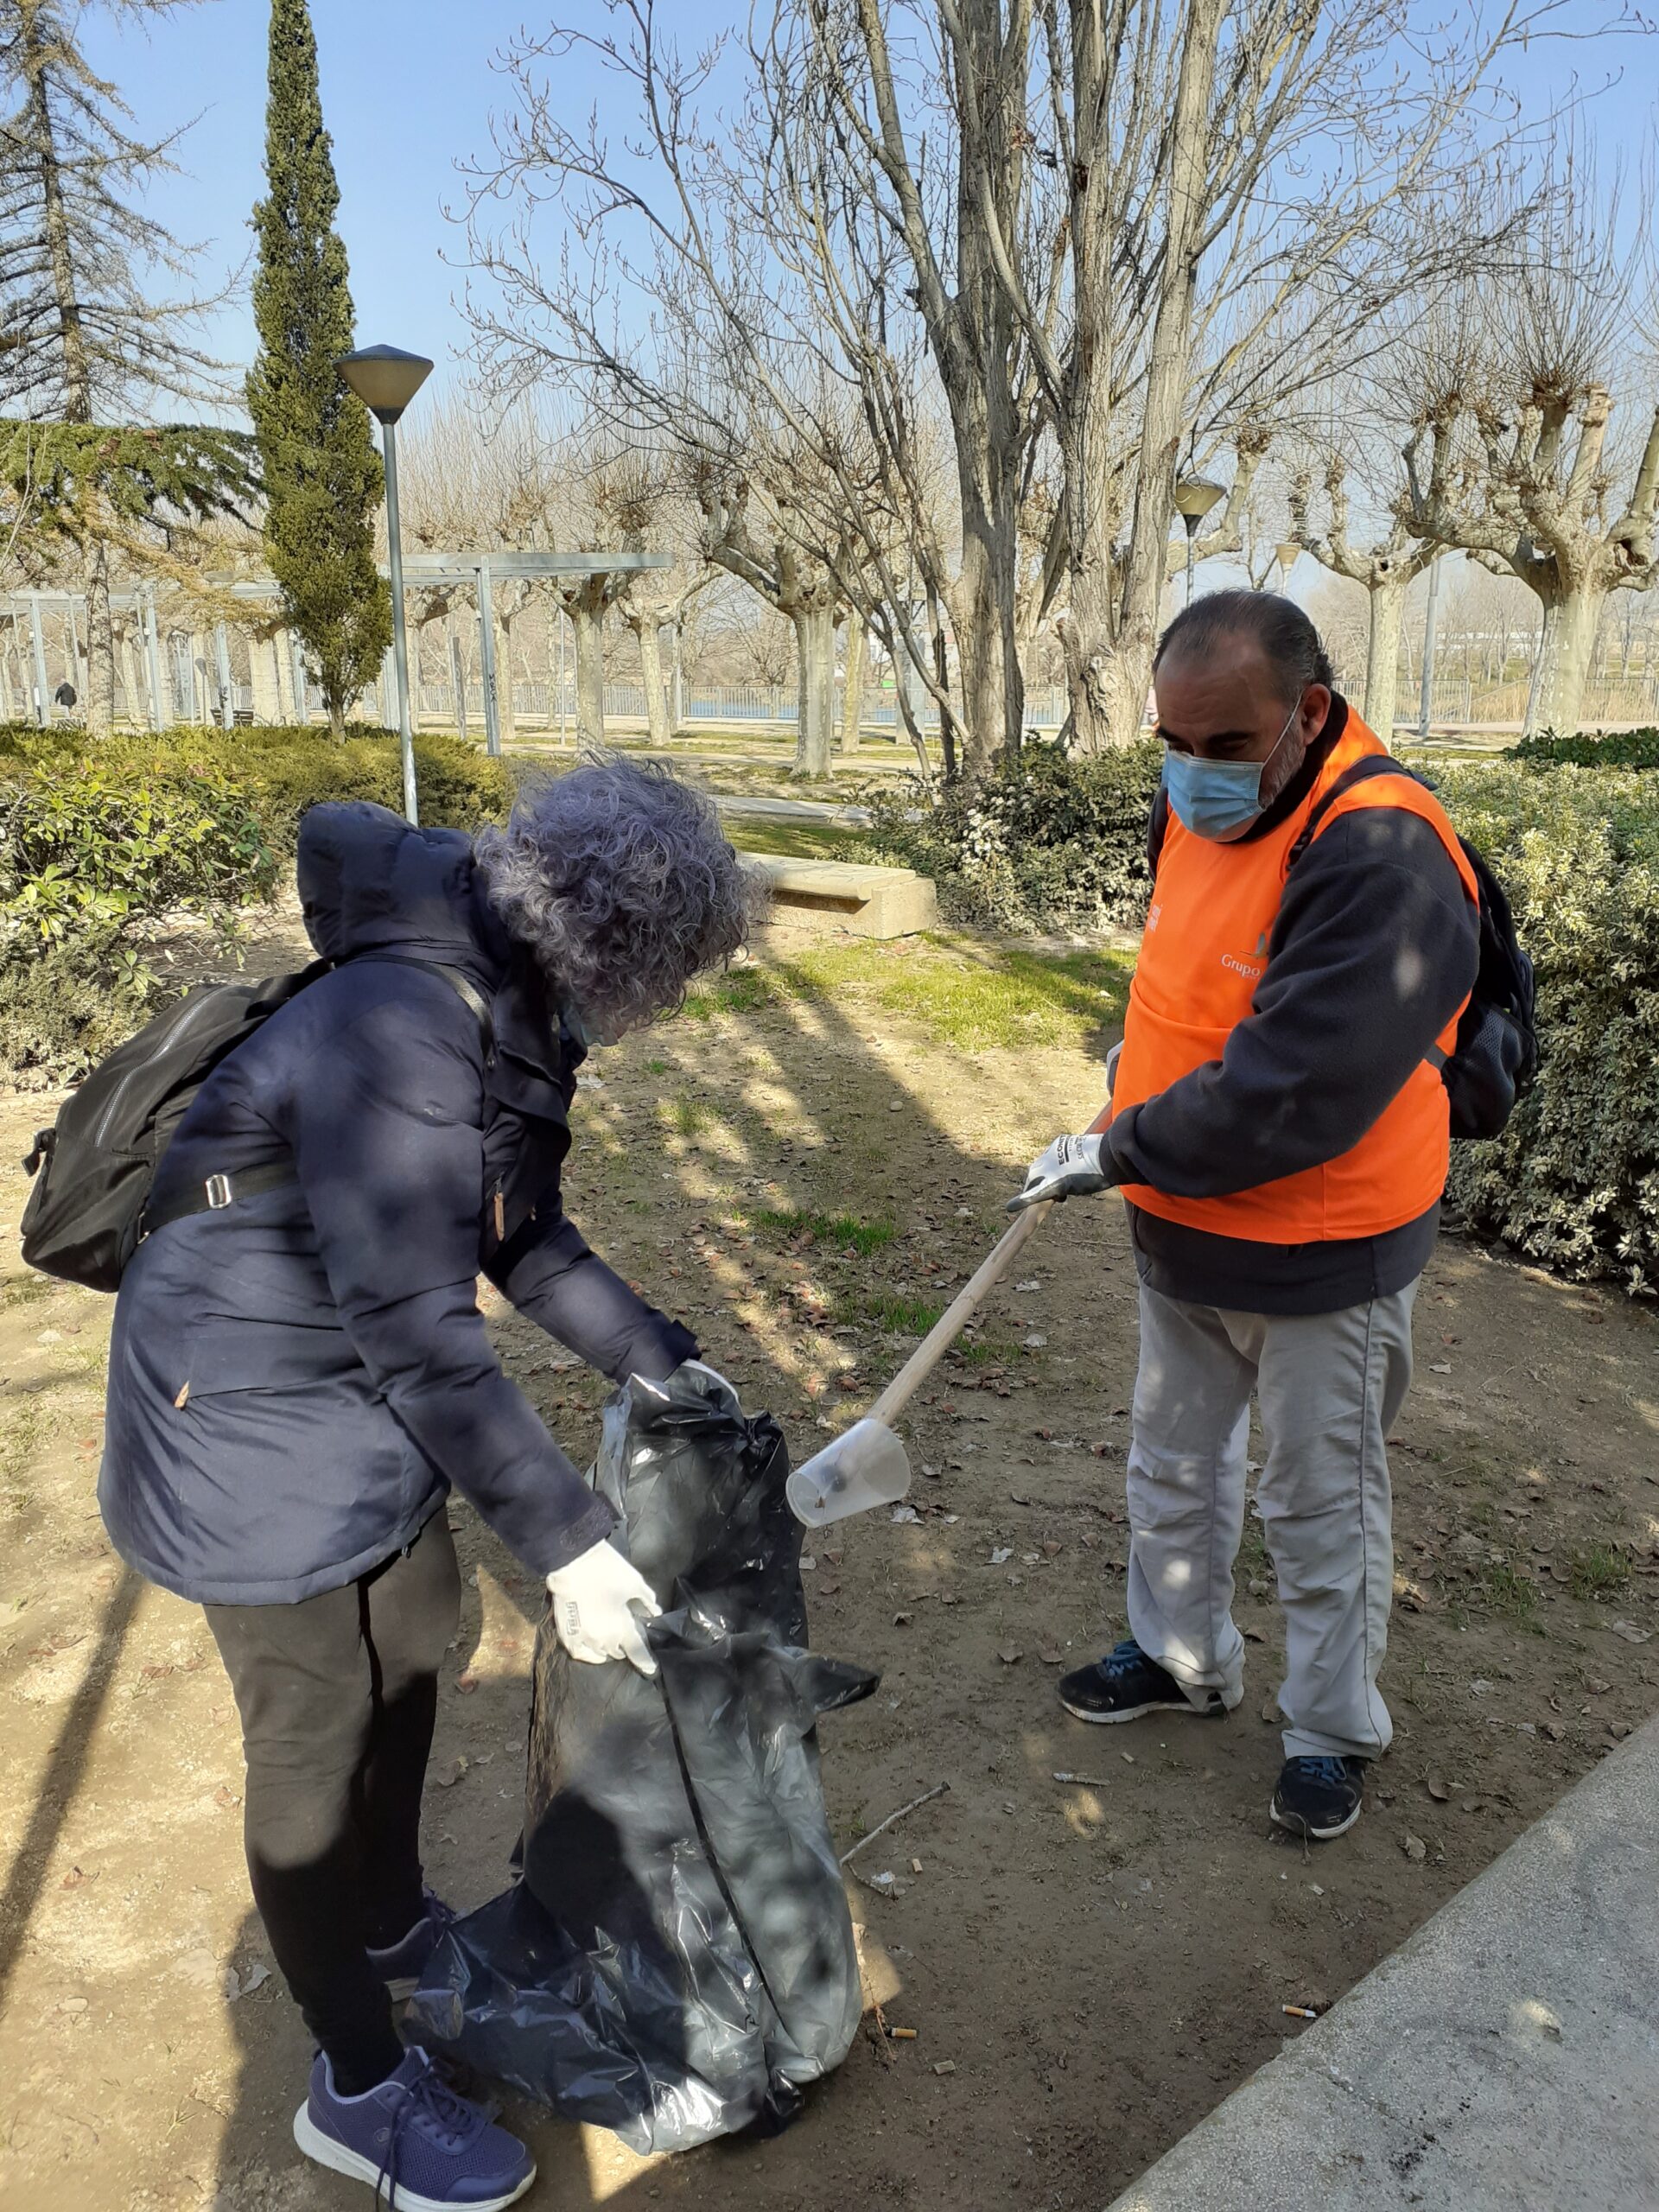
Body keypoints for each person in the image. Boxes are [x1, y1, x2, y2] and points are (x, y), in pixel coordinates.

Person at [99, 759, 757, 2209]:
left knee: (413, 1639)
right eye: (663, 979)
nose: (655, 1011)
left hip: (350, 1377)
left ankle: (394, 1929)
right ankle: (355, 2084)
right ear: (608, 945)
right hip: (239, 1408)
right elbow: (422, 1330)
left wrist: (655, 1358)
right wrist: (574, 1546)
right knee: (313, 1735)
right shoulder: (403, 1024)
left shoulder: (509, 1001)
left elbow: (518, 1232)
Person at [1014, 590, 1480, 1845]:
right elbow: (1186, 986)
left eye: (1225, 746)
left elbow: (1299, 1089)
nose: (1194, 772)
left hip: (1325, 1247)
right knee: (1172, 1463)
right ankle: (1177, 1656)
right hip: (1182, 1223)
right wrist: (1128, 1098)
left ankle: (1330, 1728)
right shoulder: (1200, 801)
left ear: (1308, 714)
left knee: (1321, 1504)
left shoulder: (1383, 853)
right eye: (1174, 742)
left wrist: (1118, 1148)